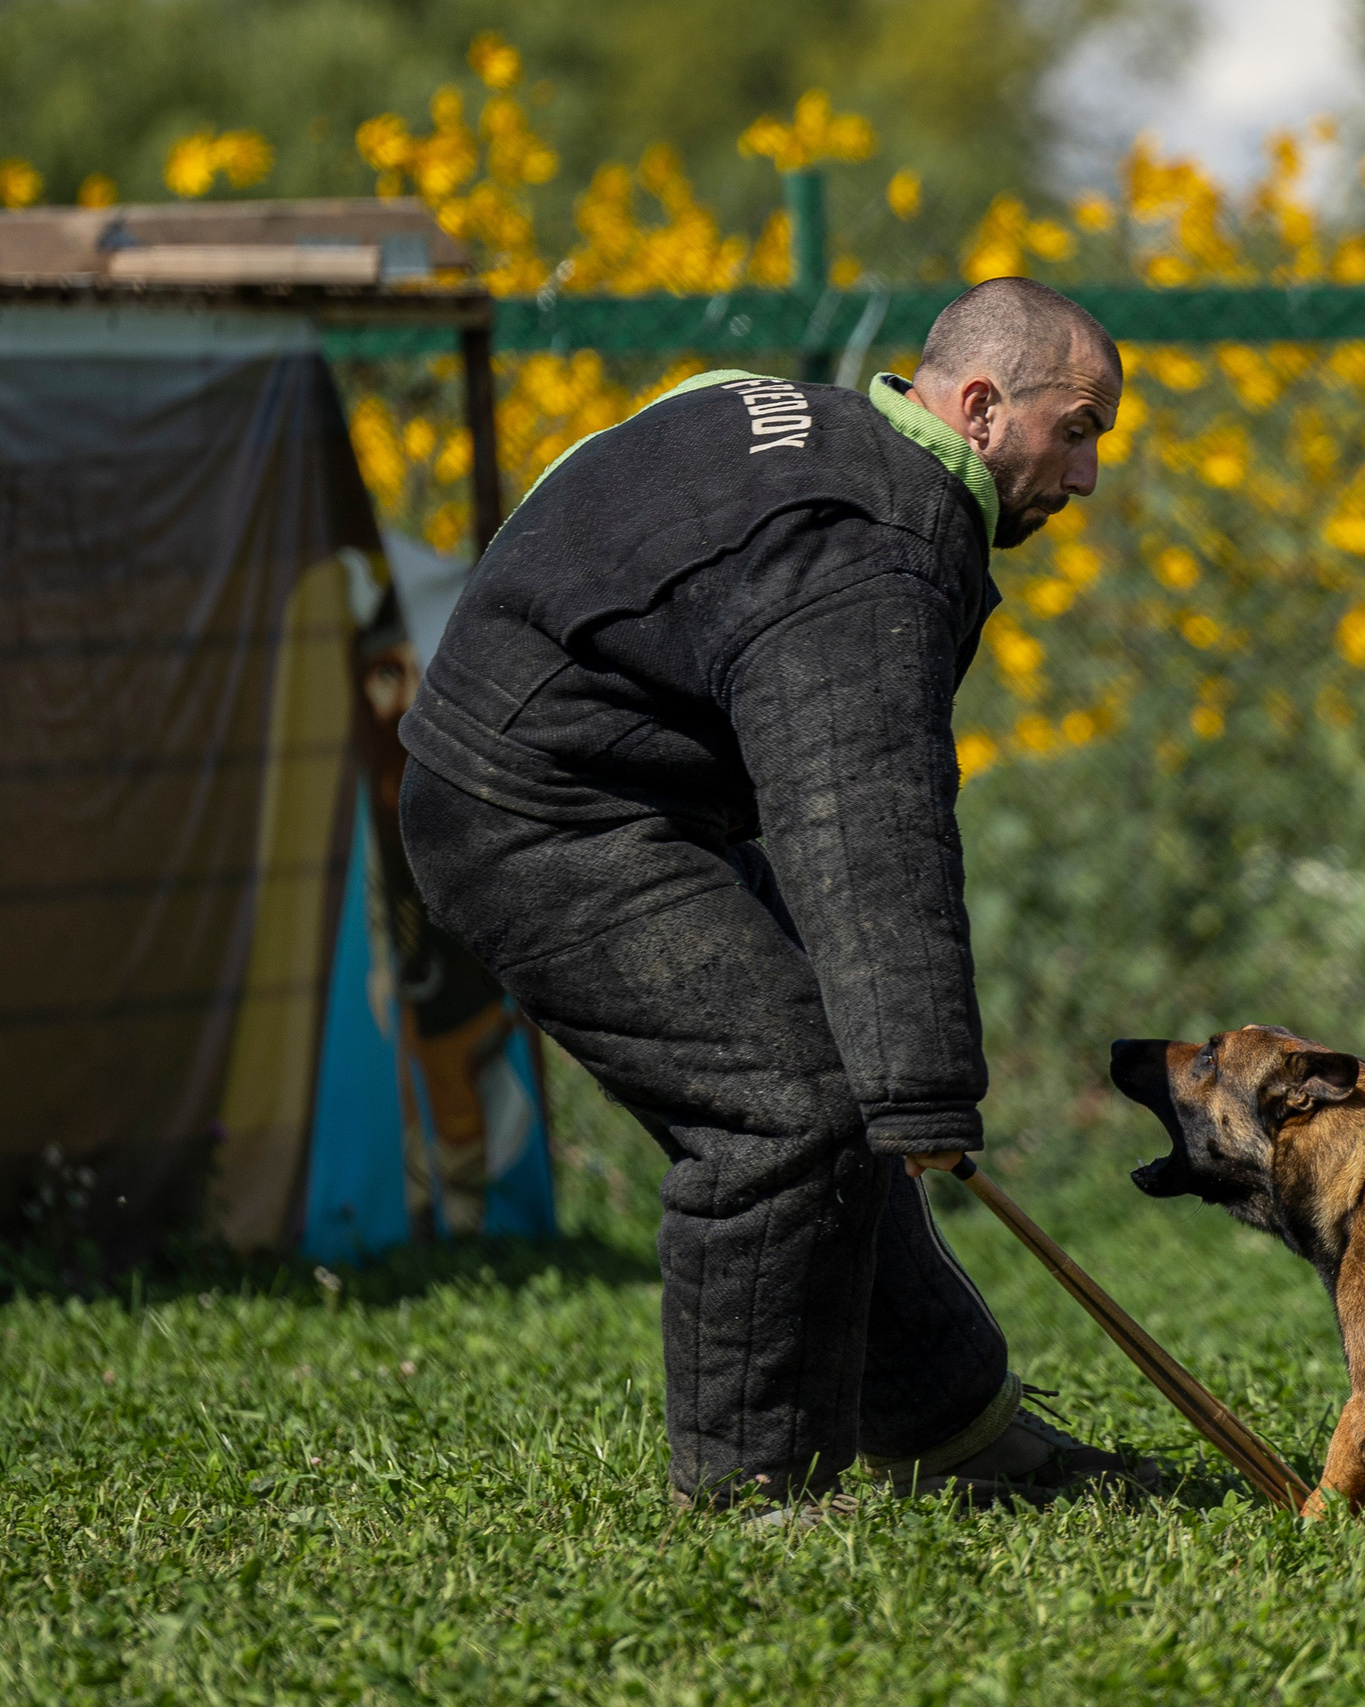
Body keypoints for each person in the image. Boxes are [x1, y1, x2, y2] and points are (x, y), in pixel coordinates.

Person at [398, 278, 1145, 1511]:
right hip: (533, 813)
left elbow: (597, 469)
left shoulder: (799, 419)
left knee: (840, 1083)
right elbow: (865, 817)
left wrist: (893, 1082)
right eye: (1078, 430)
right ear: (979, 406)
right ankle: (752, 1499)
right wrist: (923, 1085)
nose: (1085, 479)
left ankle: (949, 1430)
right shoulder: (880, 547)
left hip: (595, 784)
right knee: (789, 1109)